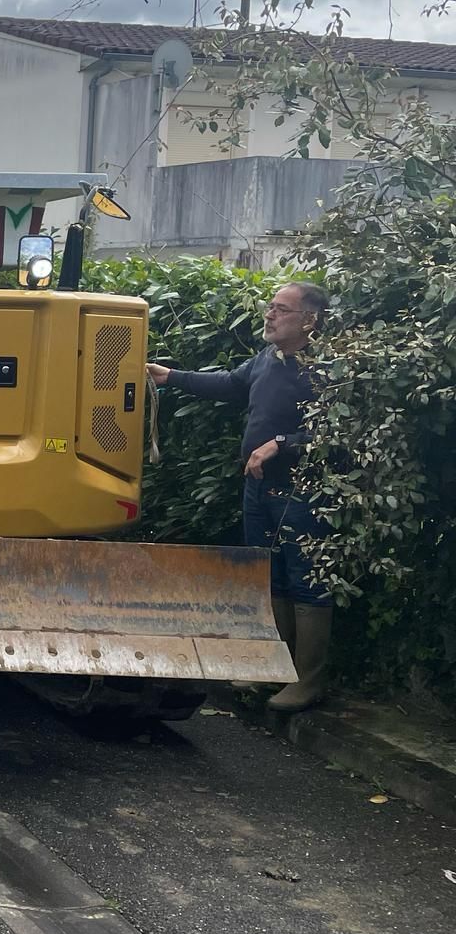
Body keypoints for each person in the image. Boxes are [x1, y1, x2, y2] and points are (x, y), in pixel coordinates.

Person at [147, 281, 332, 711]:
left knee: (306, 581)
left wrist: (281, 443)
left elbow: (339, 432)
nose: (269, 315)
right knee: (269, 575)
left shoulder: (327, 367)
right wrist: (171, 377)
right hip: (259, 486)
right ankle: (276, 669)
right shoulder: (269, 357)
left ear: (310, 319)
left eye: (281, 310)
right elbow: (232, 384)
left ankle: (308, 681)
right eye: (270, 307)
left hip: (301, 489)